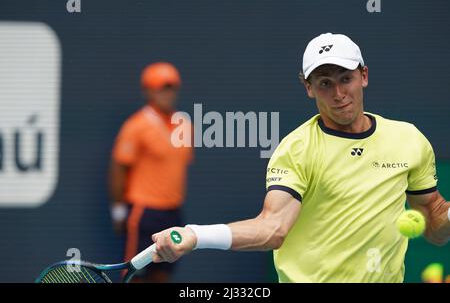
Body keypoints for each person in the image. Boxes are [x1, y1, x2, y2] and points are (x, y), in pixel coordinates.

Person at [149, 33, 450, 283]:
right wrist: (195, 235)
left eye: (346, 78)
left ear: (364, 76)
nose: (338, 93)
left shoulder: (408, 139)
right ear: (308, 88)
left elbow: (434, 223)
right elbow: (272, 228)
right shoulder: (296, 149)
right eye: (324, 83)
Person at [109, 62, 193, 283]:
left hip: (172, 213)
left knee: (162, 276)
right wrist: (118, 210)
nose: (167, 94)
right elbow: (119, 167)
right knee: (135, 276)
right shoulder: (136, 126)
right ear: (148, 90)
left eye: (171, 88)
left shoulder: (183, 123)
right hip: (143, 213)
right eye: (161, 88)